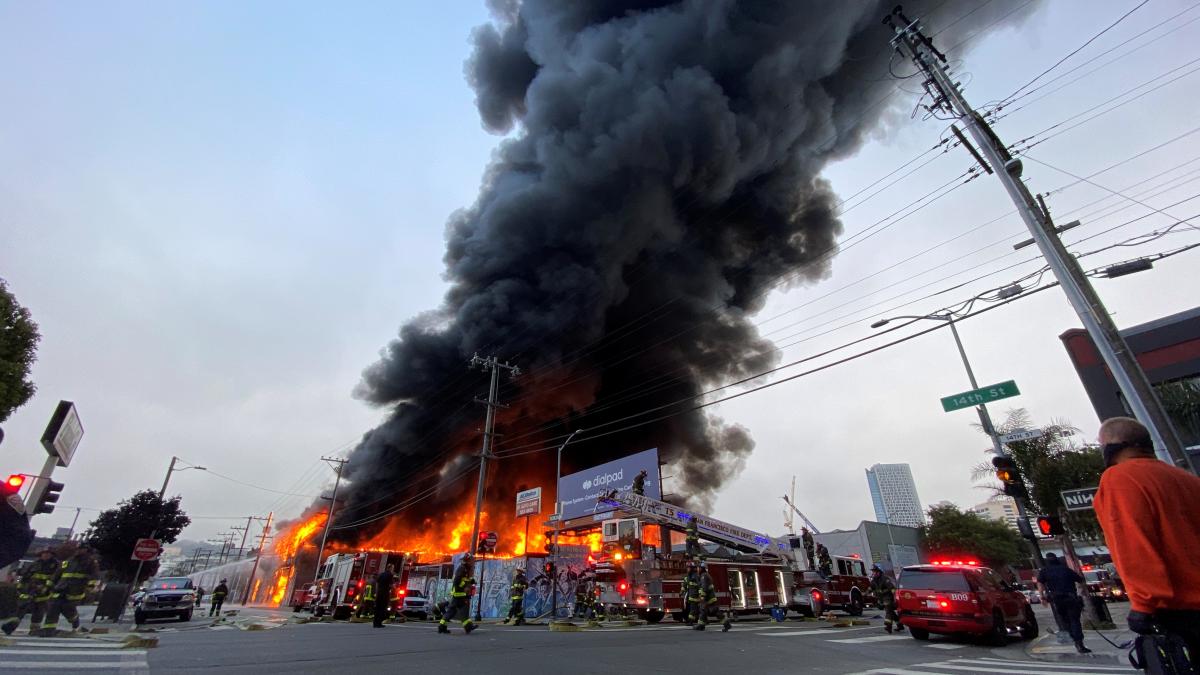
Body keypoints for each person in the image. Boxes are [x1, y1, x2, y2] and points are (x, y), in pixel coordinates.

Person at [1093, 416, 1200, 660]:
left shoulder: (1119, 478)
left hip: (1178, 610)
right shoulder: (1188, 479)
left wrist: (1143, 604)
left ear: (1112, 447)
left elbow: (1133, 543)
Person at [1036, 553, 1089, 653]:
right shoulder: (1065, 569)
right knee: (1075, 620)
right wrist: (1082, 591)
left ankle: (1072, 635)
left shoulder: (1045, 571)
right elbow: (1080, 580)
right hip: (1070, 597)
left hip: (1057, 599)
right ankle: (1079, 643)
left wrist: (1042, 596)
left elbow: (1040, 583)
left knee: (1065, 620)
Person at [40, 545, 97, 635]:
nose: (79, 550)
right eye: (78, 549)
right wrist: (48, 586)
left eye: (82, 549)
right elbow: (57, 573)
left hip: (75, 590)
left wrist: (90, 587)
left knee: (68, 609)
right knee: (53, 607)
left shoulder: (91, 562)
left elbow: (94, 575)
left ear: (86, 550)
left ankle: (75, 622)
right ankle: (49, 629)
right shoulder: (68, 561)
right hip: (60, 588)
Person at [3, 548, 57, 636]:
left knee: (38, 611)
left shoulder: (55, 565)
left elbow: (56, 578)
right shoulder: (35, 564)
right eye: (44, 553)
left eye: (48, 553)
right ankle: (10, 627)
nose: (46, 555)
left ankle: (34, 630)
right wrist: (20, 587)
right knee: (22, 608)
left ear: (52, 555)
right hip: (31, 591)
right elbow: (25, 575)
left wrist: (46, 587)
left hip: (44, 594)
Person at [439, 554, 476, 634]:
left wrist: (471, 581)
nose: (471, 562)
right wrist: (464, 587)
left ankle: (442, 626)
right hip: (458, 594)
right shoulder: (462, 568)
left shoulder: (465, 568)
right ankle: (468, 627)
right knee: (456, 611)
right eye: (470, 560)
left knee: (455, 611)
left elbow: (464, 579)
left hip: (460, 594)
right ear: (467, 560)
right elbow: (457, 581)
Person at [870, 565, 904, 635]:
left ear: (879, 572)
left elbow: (892, 588)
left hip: (888, 597)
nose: (873, 573)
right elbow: (871, 588)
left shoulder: (885, 579)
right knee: (891, 612)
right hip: (881, 598)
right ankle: (900, 624)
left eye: (874, 571)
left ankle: (888, 626)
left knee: (888, 611)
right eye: (873, 571)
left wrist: (895, 597)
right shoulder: (874, 580)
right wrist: (865, 593)